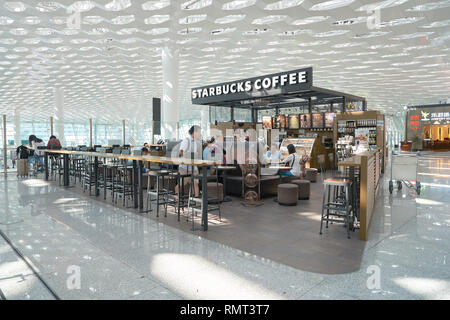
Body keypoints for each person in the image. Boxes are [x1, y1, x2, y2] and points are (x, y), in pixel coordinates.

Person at [176, 125, 202, 197]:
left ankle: (197, 202)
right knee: (181, 184)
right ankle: (176, 198)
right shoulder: (186, 140)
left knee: (196, 183)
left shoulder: (196, 142)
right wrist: (188, 155)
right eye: (199, 132)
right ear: (194, 132)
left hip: (194, 166)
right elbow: (180, 153)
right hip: (185, 167)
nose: (200, 134)